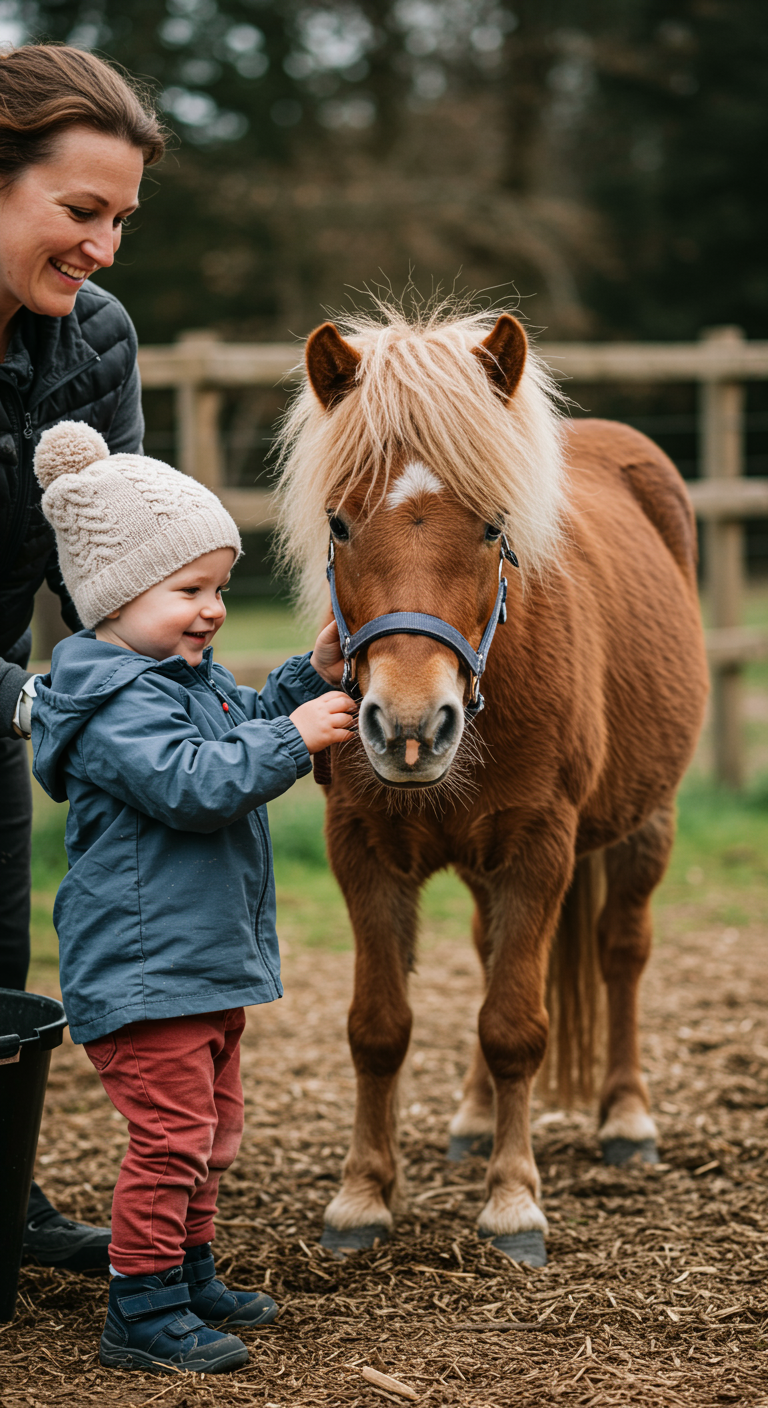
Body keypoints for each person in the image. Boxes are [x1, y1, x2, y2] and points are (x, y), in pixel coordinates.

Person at [30, 419, 356, 1374]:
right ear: (116, 599)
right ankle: (141, 1309)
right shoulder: (113, 705)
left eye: (217, 588)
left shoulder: (176, 677)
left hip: (197, 962)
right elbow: (195, 782)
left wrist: (307, 678)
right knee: (172, 1137)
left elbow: (242, 721)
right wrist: (295, 737)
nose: (211, 610)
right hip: (144, 971)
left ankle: (187, 1269)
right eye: (188, 591)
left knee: (210, 1134)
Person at [0, 43, 165, 1270]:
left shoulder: (92, 336)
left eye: (120, 219)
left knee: (1, 969)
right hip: (5, 692)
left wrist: (186, 687)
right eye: (78, 211)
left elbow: (109, 564)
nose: (103, 246)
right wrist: (34, 706)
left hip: (2, 678)